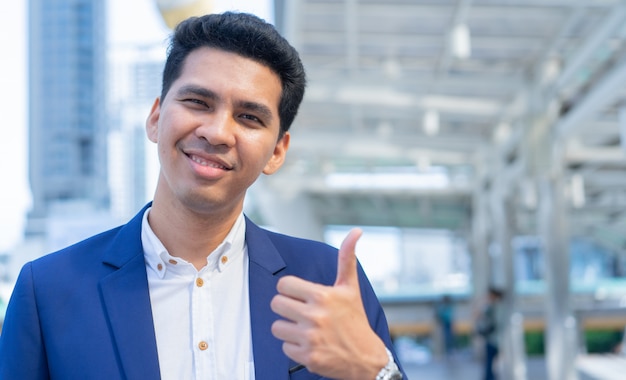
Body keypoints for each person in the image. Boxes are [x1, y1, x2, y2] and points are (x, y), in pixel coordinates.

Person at [0, 12, 405, 380]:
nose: (216, 132)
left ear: (277, 151)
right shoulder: (49, 292)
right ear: (156, 118)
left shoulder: (326, 282)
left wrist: (379, 370)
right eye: (197, 102)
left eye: (249, 117)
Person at [476, 287, 504, 380]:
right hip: (494, 339)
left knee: (490, 361)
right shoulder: (496, 307)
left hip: (493, 339)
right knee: (492, 361)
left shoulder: (494, 307)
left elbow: (492, 323)